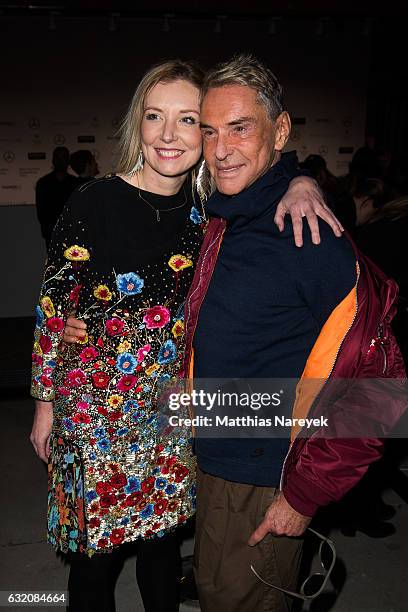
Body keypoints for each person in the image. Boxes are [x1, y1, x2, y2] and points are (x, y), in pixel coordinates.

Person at [32, 60, 342, 612]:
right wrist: (44, 406)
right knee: (92, 568)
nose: (170, 135)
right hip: (94, 419)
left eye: (188, 120)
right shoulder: (92, 201)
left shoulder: (211, 212)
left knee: (162, 559)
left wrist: (302, 179)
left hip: (174, 416)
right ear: (138, 124)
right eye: (155, 117)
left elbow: (266, 168)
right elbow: (54, 307)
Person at [180, 54, 406, 612]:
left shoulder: (309, 237)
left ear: (279, 130)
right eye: (209, 132)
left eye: (240, 128)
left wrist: (305, 497)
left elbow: (381, 388)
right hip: (216, 458)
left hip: (263, 480)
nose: (221, 149)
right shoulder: (228, 216)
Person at [35, 146, 79, 251]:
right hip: (52, 233)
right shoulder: (43, 183)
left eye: (63, 158)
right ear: (53, 160)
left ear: (68, 161)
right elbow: (41, 212)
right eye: (58, 158)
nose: (60, 161)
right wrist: (49, 230)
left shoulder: (74, 183)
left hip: (72, 233)